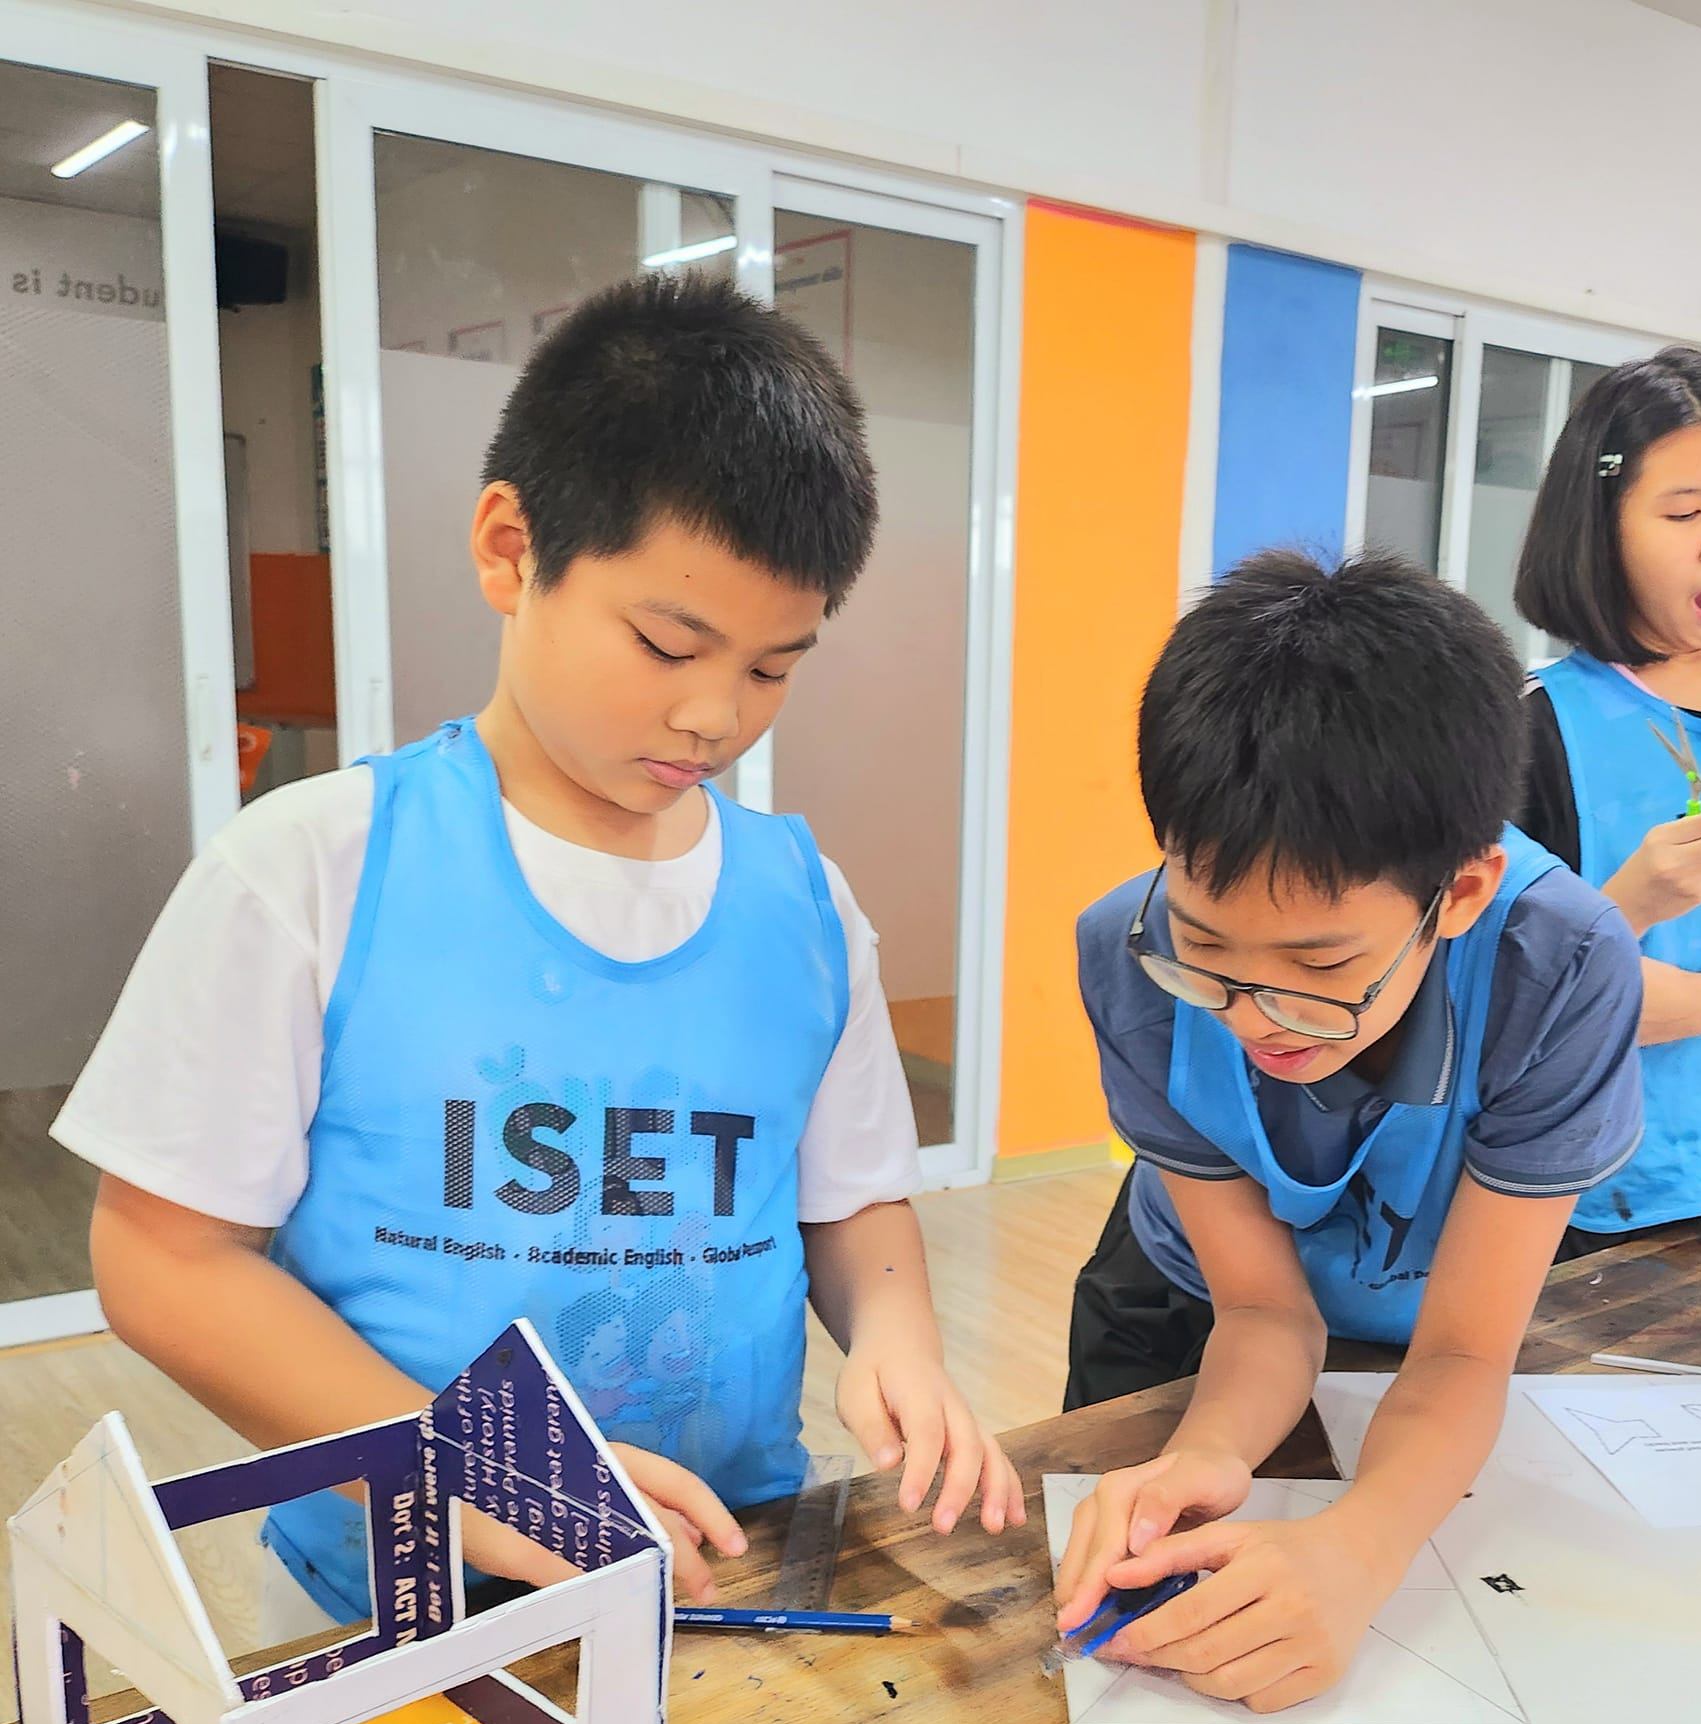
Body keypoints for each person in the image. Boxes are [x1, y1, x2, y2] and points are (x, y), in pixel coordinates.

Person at [55, 273, 1022, 1637]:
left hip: (720, 1566)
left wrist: (899, 1339)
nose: (714, 716)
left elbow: (852, 1205)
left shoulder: (801, 907)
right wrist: (467, 1471)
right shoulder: (317, 867)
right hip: (388, 1597)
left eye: (772, 668)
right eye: (668, 644)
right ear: (511, 549)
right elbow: (164, 1258)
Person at [1055, 550, 1643, 1711]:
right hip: (1198, 1301)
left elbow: (1463, 1356)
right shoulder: (1126, 951)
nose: (1254, 1016)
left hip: (1434, 1320)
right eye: (1206, 949)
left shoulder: (1562, 966)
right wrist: (1206, 1453)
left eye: (1320, 966)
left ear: (1460, 894)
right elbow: (1261, 1310)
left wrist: (1360, 1548)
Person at [1515, 344, 1701, 1254]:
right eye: (1688, 511)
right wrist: (1627, 909)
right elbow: (1512, 998)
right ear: (1599, 526)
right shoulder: (1531, 732)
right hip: (1610, 1211)